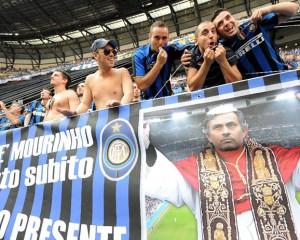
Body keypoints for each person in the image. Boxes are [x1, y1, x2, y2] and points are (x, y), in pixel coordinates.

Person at [144, 104, 300, 239]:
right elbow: (159, 182)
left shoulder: (277, 157)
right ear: (208, 136)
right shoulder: (193, 168)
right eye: (217, 127)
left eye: (231, 125)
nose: (225, 131)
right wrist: (143, 145)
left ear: (245, 130)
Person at [211, 2, 299, 79]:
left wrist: (268, 9)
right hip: (258, 90)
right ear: (218, 34)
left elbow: (294, 8)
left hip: (285, 77)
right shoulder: (223, 50)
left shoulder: (253, 23)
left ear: (234, 19)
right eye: (220, 23)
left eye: (228, 17)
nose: (226, 23)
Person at [58, 38, 133, 117]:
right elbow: (85, 105)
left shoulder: (122, 72)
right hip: (102, 126)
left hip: (122, 120)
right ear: (95, 55)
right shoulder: (90, 79)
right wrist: (75, 113)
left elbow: (129, 93)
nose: (111, 54)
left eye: (113, 51)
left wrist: (120, 106)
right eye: (107, 51)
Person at [132, 21, 191, 99]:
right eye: (157, 37)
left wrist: (186, 54)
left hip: (168, 99)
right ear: (149, 37)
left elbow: (192, 47)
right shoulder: (139, 55)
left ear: (168, 38)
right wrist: (159, 64)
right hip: (148, 104)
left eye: (164, 38)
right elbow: (141, 86)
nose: (160, 42)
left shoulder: (170, 49)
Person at [187, 21, 242, 91]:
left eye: (213, 31)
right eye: (205, 33)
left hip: (226, 93)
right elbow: (192, 88)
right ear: (196, 40)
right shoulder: (193, 54)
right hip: (205, 97)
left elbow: (238, 83)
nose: (211, 36)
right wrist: (206, 64)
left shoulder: (225, 50)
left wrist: (222, 61)